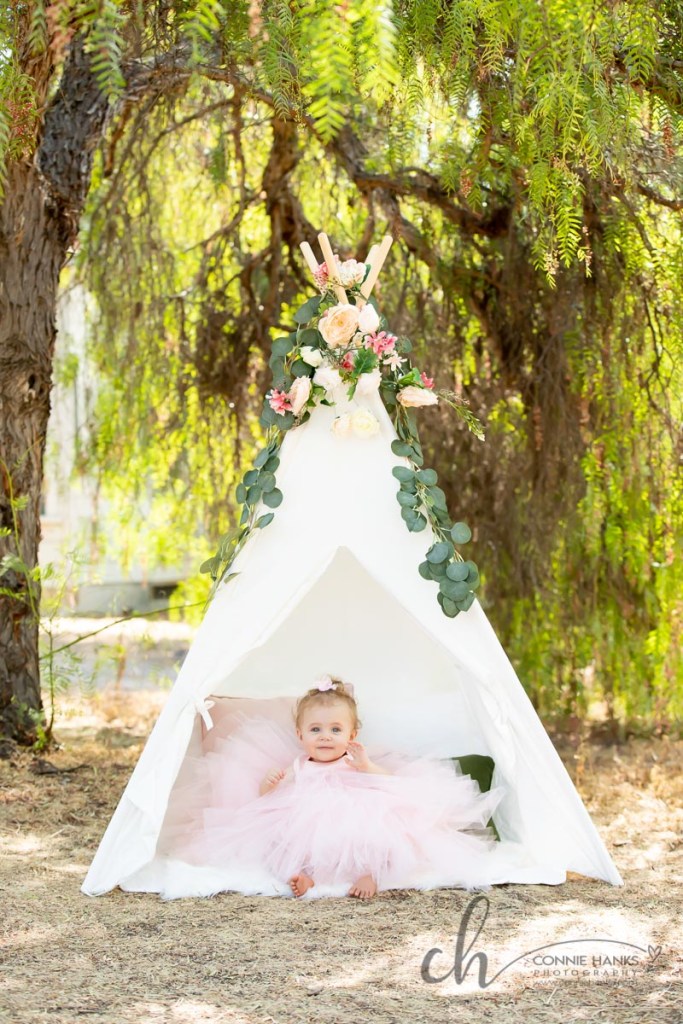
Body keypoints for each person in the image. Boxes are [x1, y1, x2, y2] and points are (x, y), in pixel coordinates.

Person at [161, 676, 505, 899]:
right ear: (300, 735)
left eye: (335, 730)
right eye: (316, 730)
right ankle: (304, 876)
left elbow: (387, 781)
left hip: (353, 810)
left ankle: (369, 874)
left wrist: (366, 766)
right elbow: (267, 799)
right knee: (279, 840)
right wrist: (270, 783)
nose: (325, 737)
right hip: (304, 816)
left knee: (378, 834)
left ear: (351, 735)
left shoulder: (354, 760)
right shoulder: (299, 764)